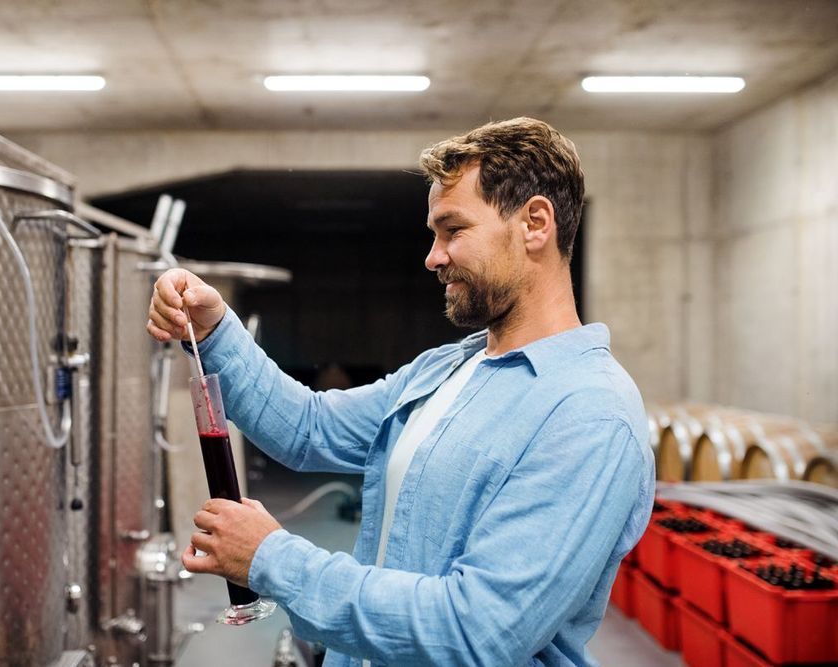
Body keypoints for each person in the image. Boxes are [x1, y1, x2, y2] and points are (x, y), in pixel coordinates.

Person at [147, 117, 654, 666]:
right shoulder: (450, 368)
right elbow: (308, 428)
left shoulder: (589, 414)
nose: (433, 257)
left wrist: (273, 559)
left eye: (453, 230)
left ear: (535, 223)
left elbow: (478, 631)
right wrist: (217, 330)